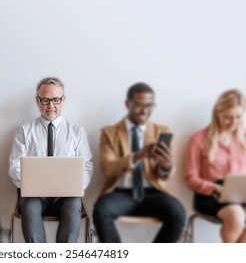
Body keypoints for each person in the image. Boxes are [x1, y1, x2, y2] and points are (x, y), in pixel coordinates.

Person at [93, 82, 185, 243]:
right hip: (121, 193)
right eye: (139, 105)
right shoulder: (109, 133)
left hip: (153, 193)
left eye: (149, 106)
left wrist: (166, 165)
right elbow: (107, 168)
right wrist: (137, 156)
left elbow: (163, 176)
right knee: (100, 211)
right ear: (127, 103)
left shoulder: (161, 131)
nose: (144, 111)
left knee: (178, 213)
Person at [9, 77, 93, 243]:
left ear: (63, 100)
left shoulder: (77, 132)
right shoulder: (24, 132)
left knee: (74, 204)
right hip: (35, 195)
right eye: (45, 100)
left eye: (55, 99)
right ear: (37, 100)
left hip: (66, 196)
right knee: (29, 206)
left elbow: (87, 167)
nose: (51, 105)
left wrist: (76, 186)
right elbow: (15, 166)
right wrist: (31, 185)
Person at [186, 89, 246, 243]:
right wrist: (215, 188)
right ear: (216, 114)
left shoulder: (244, 138)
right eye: (228, 118)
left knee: (239, 213)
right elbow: (190, 178)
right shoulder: (199, 139)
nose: (233, 123)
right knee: (236, 215)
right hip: (210, 194)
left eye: (238, 117)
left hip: (240, 193)